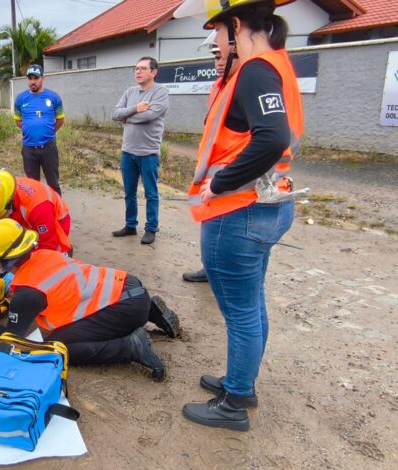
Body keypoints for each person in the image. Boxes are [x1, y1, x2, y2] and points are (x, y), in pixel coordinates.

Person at [174, 0, 304, 431]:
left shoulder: (255, 69)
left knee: (241, 312)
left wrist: (223, 181)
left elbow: (271, 138)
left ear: (235, 26)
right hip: (267, 206)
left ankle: (234, 402)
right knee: (250, 305)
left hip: (239, 211)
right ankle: (239, 383)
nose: (214, 41)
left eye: (217, 32)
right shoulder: (275, 64)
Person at [0, 218, 182, 381]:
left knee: (58, 346)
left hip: (125, 309)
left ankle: (129, 347)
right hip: (131, 287)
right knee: (72, 326)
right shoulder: (44, 255)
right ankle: (150, 309)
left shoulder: (27, 294)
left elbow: (11, 340)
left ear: (1, 260)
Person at [182, 32, 242, 284]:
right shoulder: (219, 87)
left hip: (233, 181)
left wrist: (222, 180)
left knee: (228, 238)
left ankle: (220, 273)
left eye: (222, 56)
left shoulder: (245, 84)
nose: (218, 62)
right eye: (215, 57)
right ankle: (210, 269)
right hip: (215, 178)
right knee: (212, 230)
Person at [110, 57, 169, 245]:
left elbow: (150, 115)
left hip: (149, 153)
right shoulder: (130, 92)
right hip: (128, 151)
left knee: (151, 193)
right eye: (136, 68)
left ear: (154, 72)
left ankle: (151, 228)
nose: (138, 72)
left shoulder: (160, 92)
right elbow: (115, 114)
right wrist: (135, 108)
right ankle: (130, 225)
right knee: (129, 191)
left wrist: (127, 117)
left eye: (143, 68)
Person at [0, 169, 72, 255]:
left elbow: (48, 245)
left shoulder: (38, 207)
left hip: (56, 223)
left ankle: (64, 255)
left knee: (46, 261)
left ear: (9, 204)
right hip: (21, 216)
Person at [13, 64, 65, 195]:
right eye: (30, 78)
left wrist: (48, 132)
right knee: (32, 186)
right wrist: (29, 129)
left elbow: (60, 120)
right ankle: (35, 213)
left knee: (53, 184)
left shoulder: (54, 98)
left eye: (36, 78)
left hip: (49, 148)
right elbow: (18, 121)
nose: (33, 82)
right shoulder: (20, 99)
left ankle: (58, 213)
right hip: (29, 150)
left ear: (43, 78)